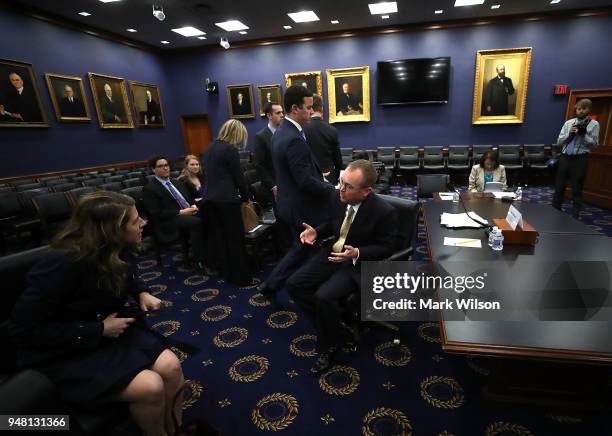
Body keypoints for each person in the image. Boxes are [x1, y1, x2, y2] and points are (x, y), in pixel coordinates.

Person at [7, 191, 185, 436]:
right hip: (66, 349)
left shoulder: (117, 247)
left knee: (172, 367)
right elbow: (22, 330)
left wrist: (141, 292)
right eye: (135, 221)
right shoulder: (62, 264)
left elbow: (127, 274)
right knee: (151, 387)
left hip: (107, 330)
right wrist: (98, 330)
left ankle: (176, 429)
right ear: (111, 230)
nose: (143, 222)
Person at [286, 160, 398, 373]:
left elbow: (387, 247)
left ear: (366, 191)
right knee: (294, 285)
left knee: (323, 297)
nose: (342, 189)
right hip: (332, 253)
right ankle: (335, 325)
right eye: (341, 182)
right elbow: (332, 223)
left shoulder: (384, 211)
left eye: (349, 186)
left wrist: (357, 253)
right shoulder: (338, 197)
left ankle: (329, 345)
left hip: (355, 263)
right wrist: (317, 232)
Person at [257, 85, 335, 304]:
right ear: (294, 108)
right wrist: (335, 189)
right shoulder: (293, 138)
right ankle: (313, 296)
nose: (312, 112)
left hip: (288, 204)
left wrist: (320, 176)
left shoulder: (282, 131)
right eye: (308, 108)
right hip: (303, 207)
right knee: (310, 252)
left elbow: (296, 172)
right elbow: (304, 180)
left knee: (298, 249)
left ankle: (271, 286)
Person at [202, 119, 254, 286]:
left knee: (221, 239)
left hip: (210, 200)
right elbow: (239, 178)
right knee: (235, 240)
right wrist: (246, 199)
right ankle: (242, 278)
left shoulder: (210, 148)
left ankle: (228, 275)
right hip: (227, 201)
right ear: (236, 134)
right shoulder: (229, 149)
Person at [142, 156, 206, 270]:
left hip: (187, 213)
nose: (165, 168)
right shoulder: (149, 188)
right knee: (197, 223)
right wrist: (181, 212)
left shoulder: (176, 182)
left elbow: (190, 200)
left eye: (166, 165)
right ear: (153, 169)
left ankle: (213, 253)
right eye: (160, 166)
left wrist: (194, 206)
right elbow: (156, 213)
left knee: (211, 215)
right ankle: (201, 261)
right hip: (169, 221)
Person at [552, 98, 600, 219]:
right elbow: (559, 141)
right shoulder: (569, 123)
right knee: (559, 185)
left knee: (576, 187)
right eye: (578, 109)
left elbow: (594, 144)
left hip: (580, 159)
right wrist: (570, 135)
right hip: (565, 157)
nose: (580, 111)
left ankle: (575, 214)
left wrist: (583, 135)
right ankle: (555, 209)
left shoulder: (594, 124)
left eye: (583, 109)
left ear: (588, 110)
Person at [304, 94, 343, 185]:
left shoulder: (302, 129)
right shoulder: (332, 130)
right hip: (329, 177)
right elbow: (338, 160)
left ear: (310, 108)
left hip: (309, 177)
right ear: (322, 108)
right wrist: (337, 178)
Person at [254, 102, 284, 203]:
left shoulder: (285, 133)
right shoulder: (261, 137)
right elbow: (259, 165)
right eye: (278, 113)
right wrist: (273, 186)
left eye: (282, 112)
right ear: (269, 116)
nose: (282, 115)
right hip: (273, 188)